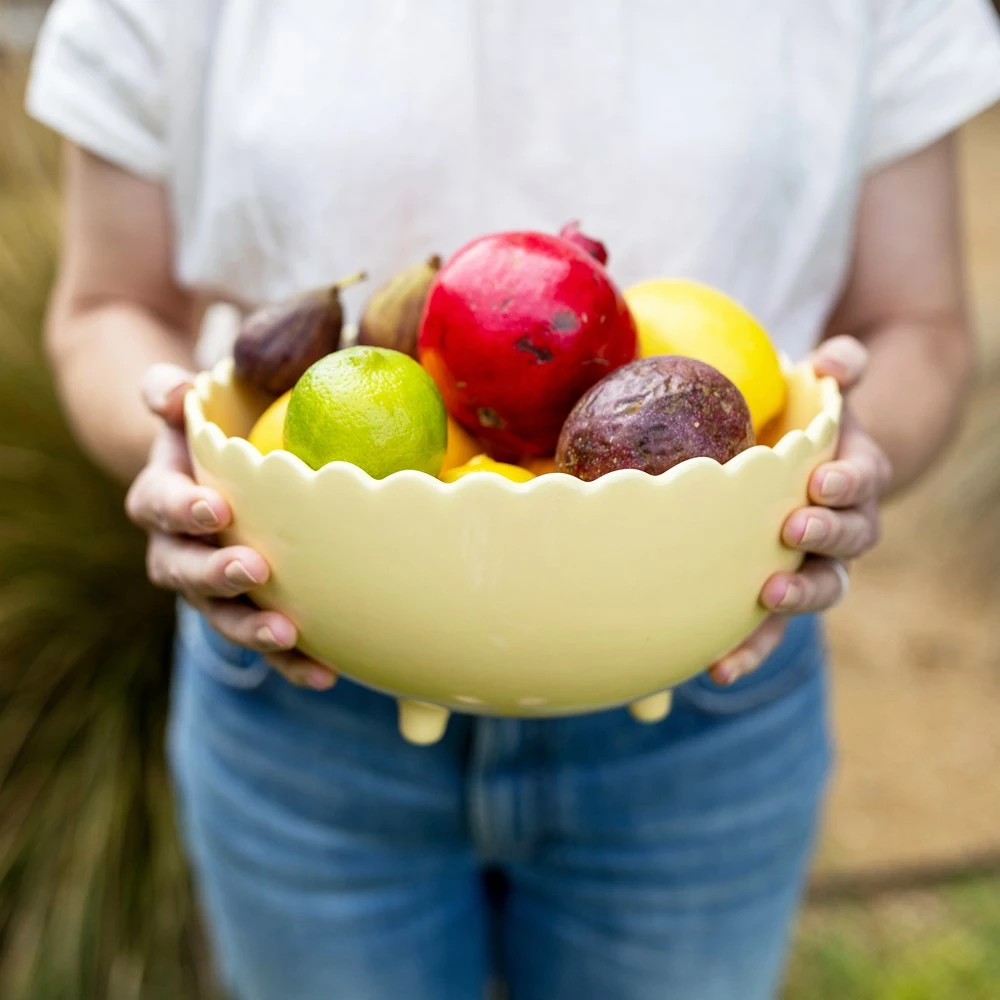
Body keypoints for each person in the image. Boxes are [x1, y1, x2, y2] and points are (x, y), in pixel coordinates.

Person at [25, 2, 1000, 998]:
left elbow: (918, 323)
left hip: (703, 686)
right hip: (306, 678)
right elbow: (107, 306)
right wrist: (182, 455)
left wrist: (842, 457)